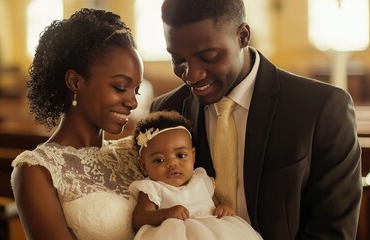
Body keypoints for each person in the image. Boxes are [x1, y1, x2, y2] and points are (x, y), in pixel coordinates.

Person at [150, 0, 362, 239]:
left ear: (242, 36)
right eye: (178, 60)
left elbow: (332, 231)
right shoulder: (167, 111)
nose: (191, 74)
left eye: (208, 56)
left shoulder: (321, 108)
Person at [10, 8, 145, 239]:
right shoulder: (36, 171)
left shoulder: (135, 152)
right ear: (75, 82)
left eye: (136, 90)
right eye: (120, 87)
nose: (132, 102)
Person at [129, 110, 262, 239]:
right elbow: (139, 218)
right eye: (159, 160)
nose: (172, 163)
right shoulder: (153, 189)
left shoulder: (201, 180)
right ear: (144, 166)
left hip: (214, 230)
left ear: (193, 156)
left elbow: (215, 204)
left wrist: (224, 208)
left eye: (180, 155)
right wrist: (164, 214)